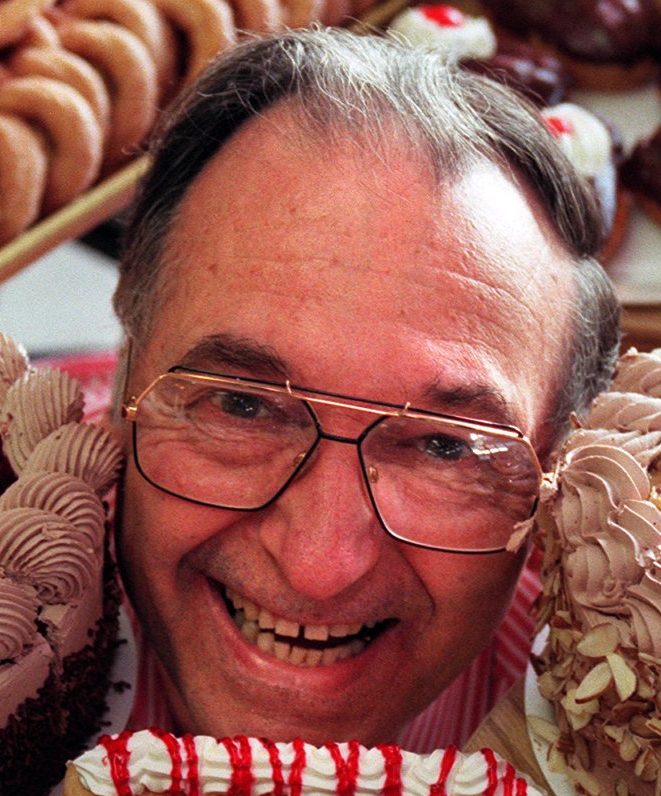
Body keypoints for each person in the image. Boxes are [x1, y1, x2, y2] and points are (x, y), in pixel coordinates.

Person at [109, 27, 620, 750]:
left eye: (445, 448)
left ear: (557, 487)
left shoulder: (621, 762)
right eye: (242, 405)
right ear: (122, 382)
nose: (318, 567)